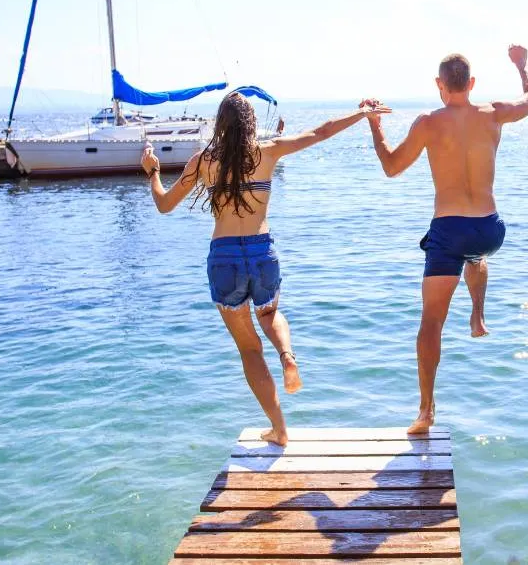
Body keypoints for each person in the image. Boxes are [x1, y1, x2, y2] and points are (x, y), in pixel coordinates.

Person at [142, 92, 391, 445]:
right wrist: (361, 114)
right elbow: (320, 133)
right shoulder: (268, 152)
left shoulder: (203, 161)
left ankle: (279, 428)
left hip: (224, 256)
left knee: (249, 350)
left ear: (221, 124)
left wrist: (152, 173)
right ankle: (288, 356)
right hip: (262, 251)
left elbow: (165, 204)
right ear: (251, 123)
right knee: (270, 312)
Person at [365, 44, 528, 433]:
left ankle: (426, 411)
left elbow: (392, 167)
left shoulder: (429, 121)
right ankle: (478, 312)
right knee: (476, 256)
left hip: (448, 230)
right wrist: (521, 64)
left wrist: (375, 126)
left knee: (431, 323)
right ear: (472, 83)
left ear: (440, 85)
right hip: (489, 228)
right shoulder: (494, 113)